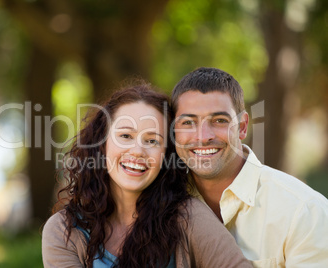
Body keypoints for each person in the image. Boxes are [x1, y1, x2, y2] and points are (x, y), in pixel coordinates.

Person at [42, 83, 252, 268]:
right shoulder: (64, 231)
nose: (137, 151)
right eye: (125, 136)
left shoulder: (189, 217)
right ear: (101, 143)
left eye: (152, 141)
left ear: (167, 154)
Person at [172, 67, 328, 267]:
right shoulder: (161, 206)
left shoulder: (305, 213)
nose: (203, 136)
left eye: (219, 120)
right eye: (188, 122)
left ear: (243, 126)